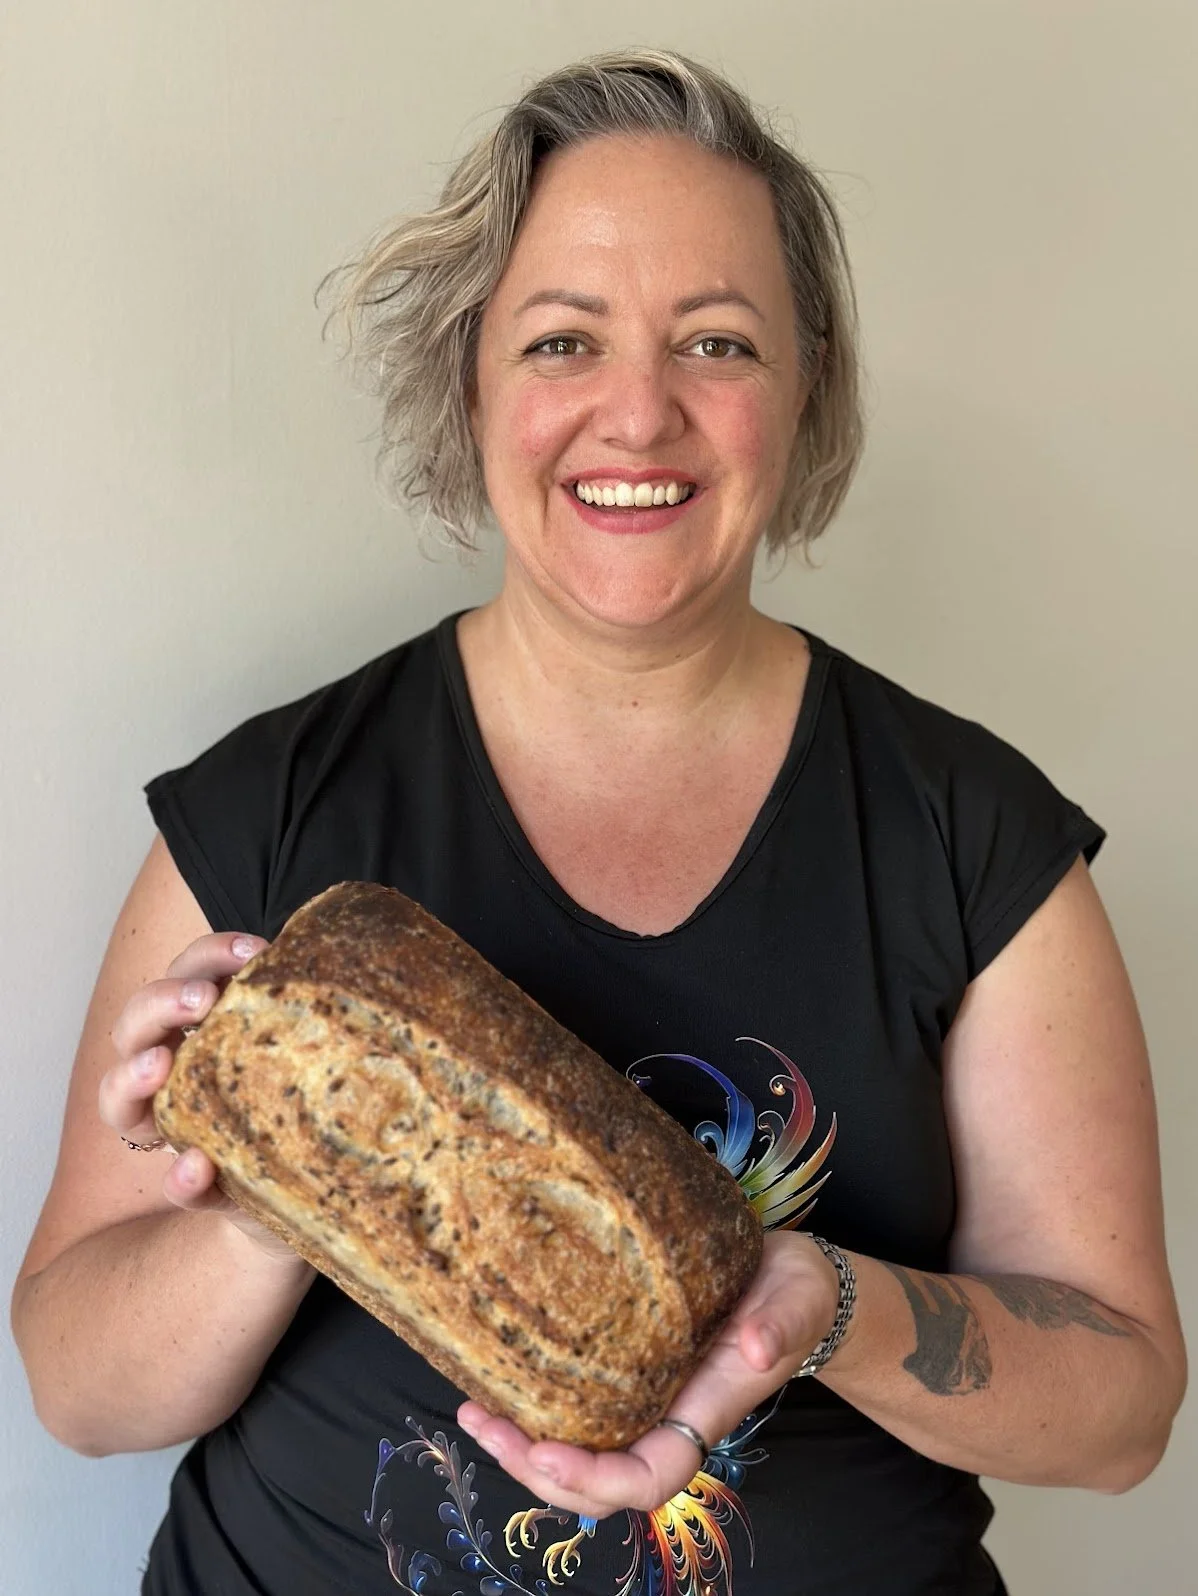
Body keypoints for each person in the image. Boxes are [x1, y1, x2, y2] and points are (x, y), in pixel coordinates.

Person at [11, 48, 1185, 1596]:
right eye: (563, 341)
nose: (638, 415)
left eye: (716, 342)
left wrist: (817, 1308)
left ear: (802, 392)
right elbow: (77, 1391)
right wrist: (278, 1202)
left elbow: (1118, 1414)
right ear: (472, 382)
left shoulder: (968, 836)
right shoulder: (275, 807)